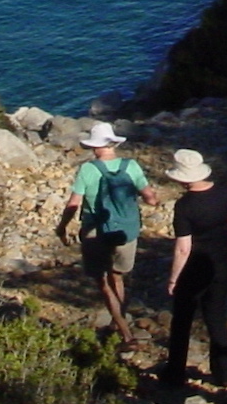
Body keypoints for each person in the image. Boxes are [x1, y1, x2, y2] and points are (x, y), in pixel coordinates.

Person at [55, 121, 159, 345]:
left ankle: (123, 330)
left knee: (102, 281)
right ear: (113, 143)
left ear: (95, 146)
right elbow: (150, 198)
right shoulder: (132, 166)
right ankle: (119, 322)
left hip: (96, 231)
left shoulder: (88, 169)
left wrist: (62, 227)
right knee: (118, 276)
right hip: (126, 229)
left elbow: (74, 203)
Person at [162, 149, 227, 391]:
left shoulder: (184, 206)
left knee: (182, 320)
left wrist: (173, 279)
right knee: (216, 316)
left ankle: (174, 373)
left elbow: (183, 248)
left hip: (193, 267)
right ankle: (224, 373)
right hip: (221, 262)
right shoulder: (225, 194)